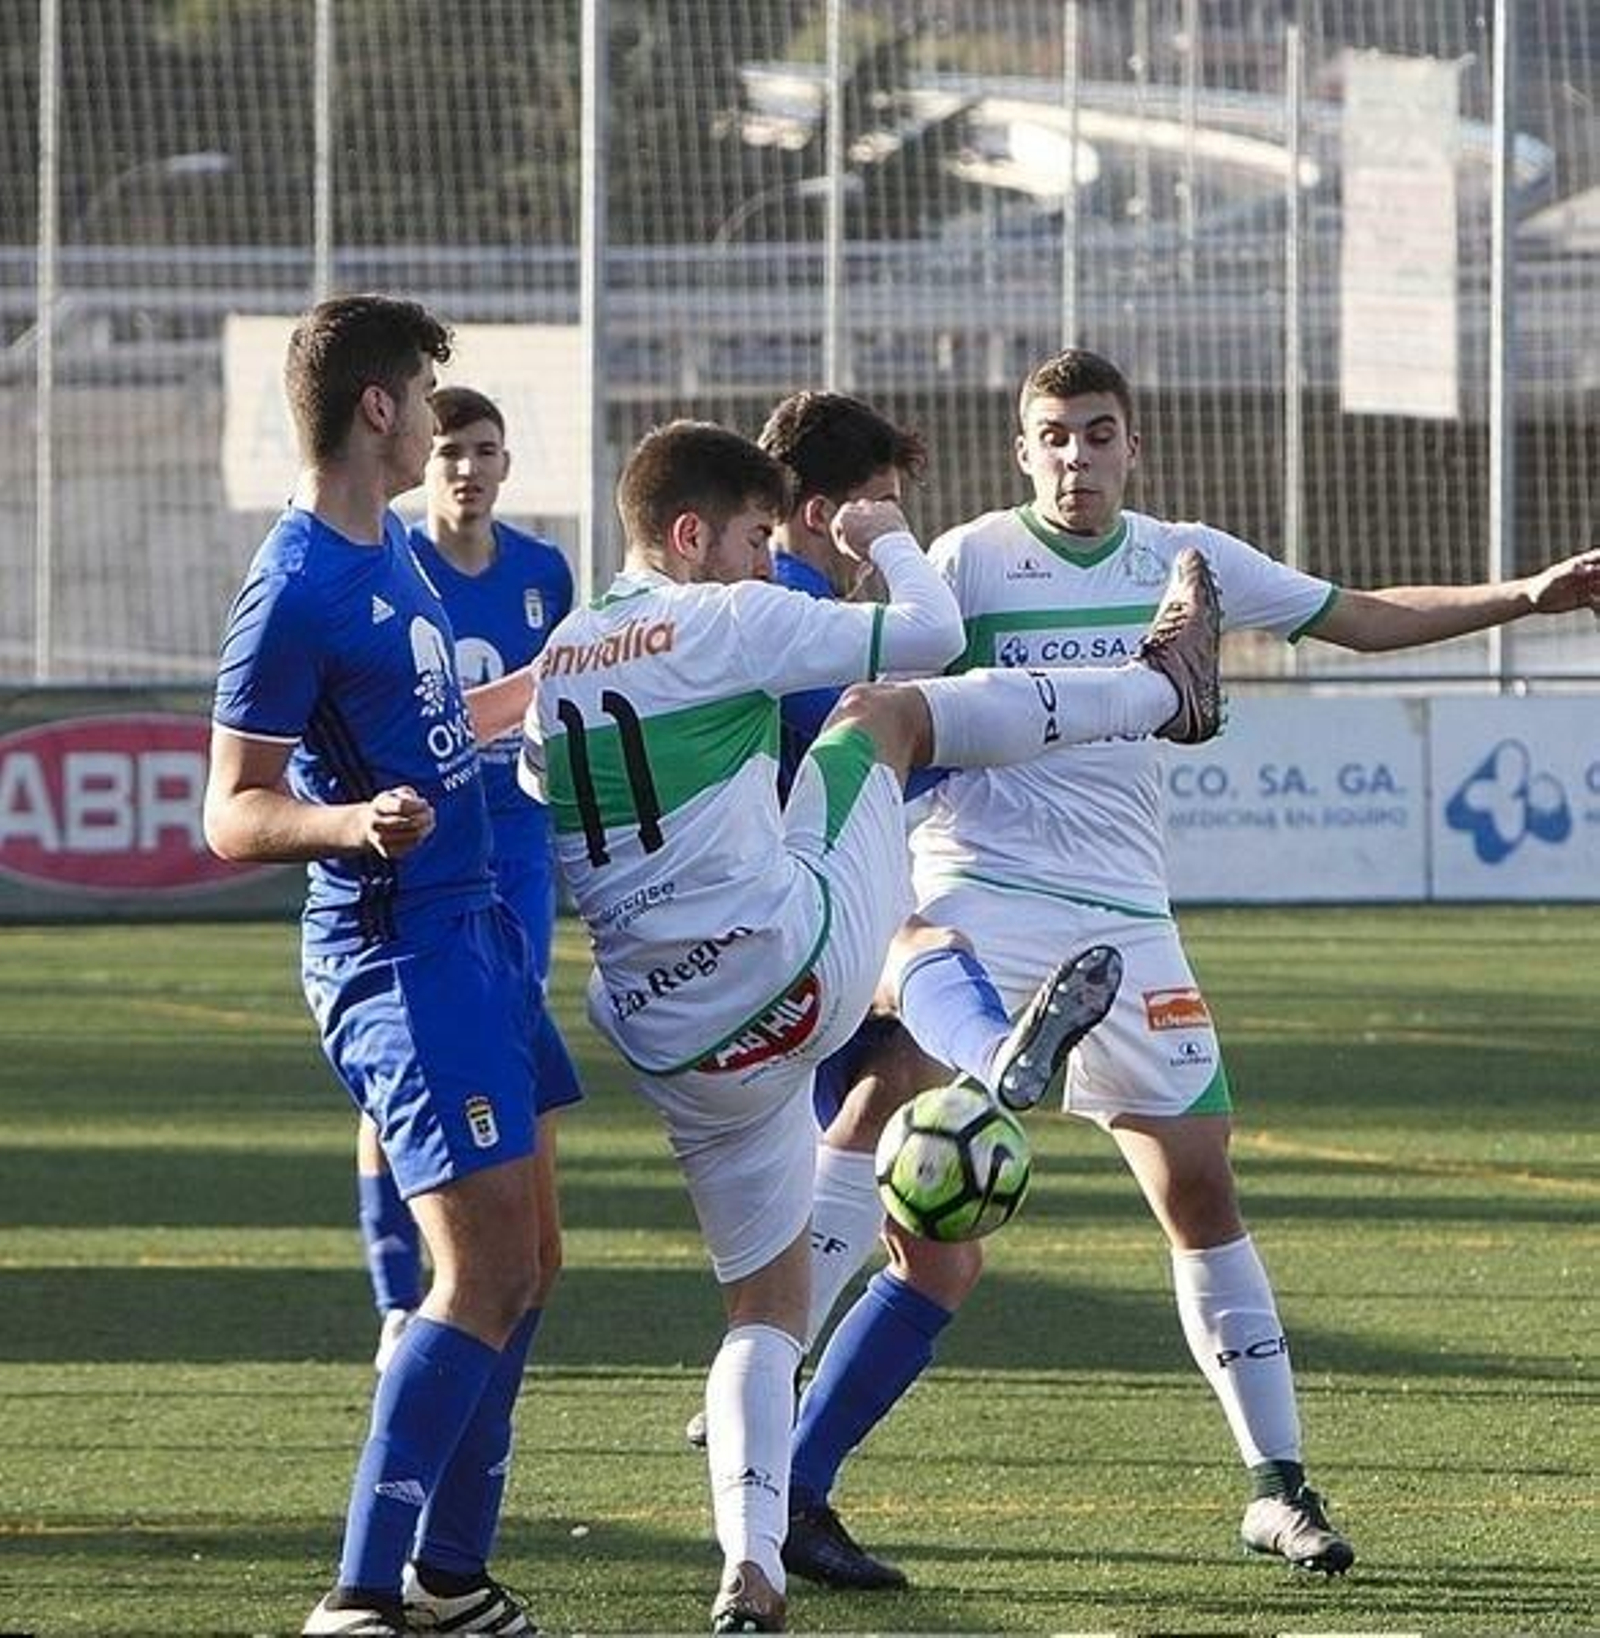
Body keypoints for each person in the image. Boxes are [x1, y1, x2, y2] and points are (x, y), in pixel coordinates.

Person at [848, 344, 1600, 1580]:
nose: (1075, 456)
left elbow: (1356, 617)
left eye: (1097, 433)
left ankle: (1275, 1486)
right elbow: (884, 677)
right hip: (979, 884)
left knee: (1200, 1186)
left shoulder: (1182, 557)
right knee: (892, 1139)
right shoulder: (971, 560)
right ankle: (765, 1403)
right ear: (1021, 450)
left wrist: (1525, 593)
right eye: (1054, 436)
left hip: (1127, 917)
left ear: (1132, 446)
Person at [520, 416, 1223, 1632]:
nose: (760, 559)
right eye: (748, 537)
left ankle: (752, 1564)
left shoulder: (562, 661)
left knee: (763, 1311)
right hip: (789, 966)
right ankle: (1153, 694)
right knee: (882, 717)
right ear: (690, 536)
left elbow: (543, 780)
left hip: (666, 1034)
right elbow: (935, 635)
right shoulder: (725, 614)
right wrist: (884, 535)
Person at [204, 295, 546, 1637]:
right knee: (471, 1276)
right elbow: (230, 807)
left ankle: (450, 1578)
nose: (436, 418)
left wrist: (542, 690)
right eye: (421, 391)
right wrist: (348, 821)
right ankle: (360, 1594)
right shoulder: (293, 583)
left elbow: (430, 719)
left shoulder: (390, 544)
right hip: (399, 954)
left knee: (521, 1267)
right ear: (380, 408)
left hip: (475, 931)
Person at [356, 384, 580, 1373]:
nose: (466, 469)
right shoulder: (389, 563)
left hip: (517, 847)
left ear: (505, 464)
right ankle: (397, 1289)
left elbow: (568, 704)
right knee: (410, 1063)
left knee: (509, 1049)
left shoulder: (542, 572)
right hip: (427, 857)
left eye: (484, 450)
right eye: (449, 450)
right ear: (426, 459)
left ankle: (512, 1259)